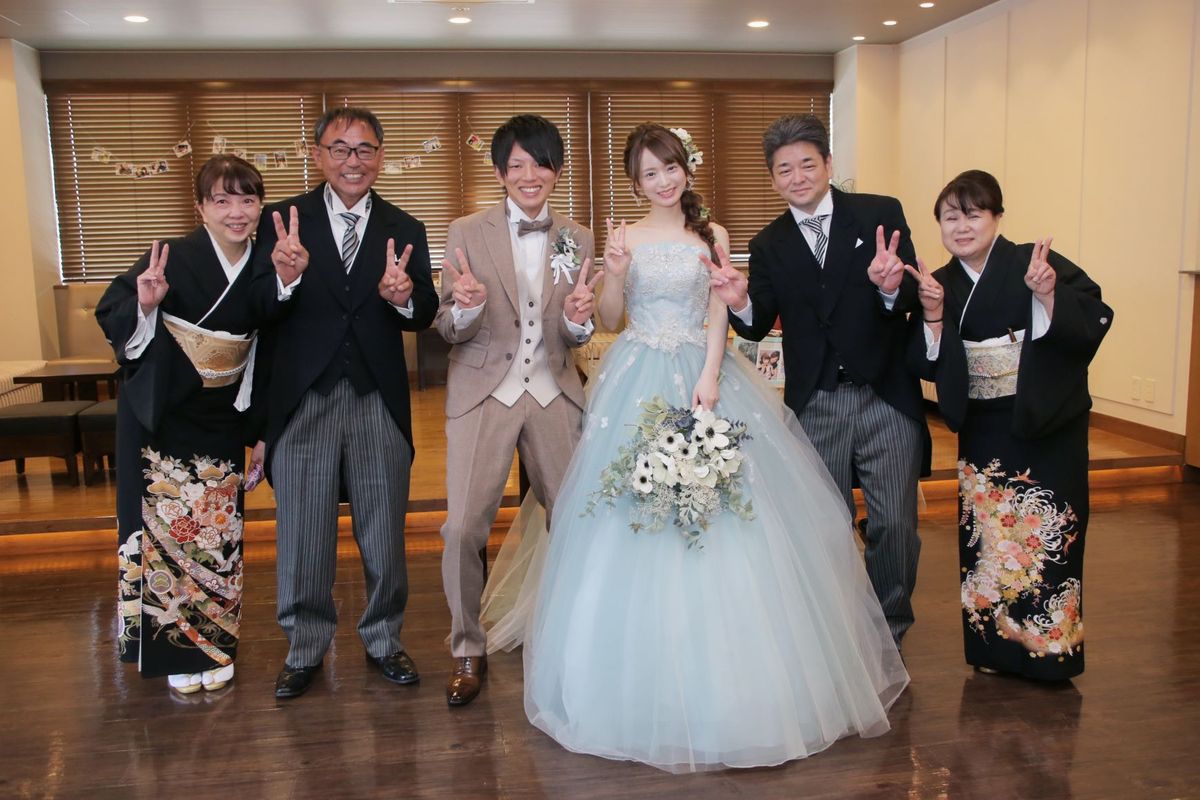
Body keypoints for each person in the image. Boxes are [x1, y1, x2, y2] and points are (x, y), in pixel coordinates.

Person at [514, 123, 908, 772]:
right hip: (637, 375)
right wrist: (614, 274)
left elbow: (723, 309)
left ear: (686, 169)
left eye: (670, 168)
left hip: (704, 371)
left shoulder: (714, 233)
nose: (662, 181)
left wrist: (709, 376)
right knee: (633, 511)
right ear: (636, 183)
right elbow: (609, 318)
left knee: (728, 507)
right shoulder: (628, 238)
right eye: (649, 173)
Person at [708, 113, 929, 643]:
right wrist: (739, 300)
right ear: (772, 178)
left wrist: (889, 287)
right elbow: (757, 321)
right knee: (825, 524)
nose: (798, 176)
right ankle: (839, 633)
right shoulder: (769, 243)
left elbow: (910, 293)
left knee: (894, 524)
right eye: (784, 169)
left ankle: (889, 631)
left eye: (807, 164)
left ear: (829, 164)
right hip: (817, 401)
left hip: (885, 393)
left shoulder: (878, 213)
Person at [251, 106, 439, 699]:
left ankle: (384, 638)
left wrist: (404, 297)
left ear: (380, 156)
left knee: (383, 531)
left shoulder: (405, 226)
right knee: (303, 532)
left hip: (377, 397)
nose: (352, 160)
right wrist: (284, 278)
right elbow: (259, 309)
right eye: (340, 148)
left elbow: (425, 311)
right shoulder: (284, 221)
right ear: (318, 155)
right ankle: (305, 646)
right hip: (303, 398)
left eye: (364, 149)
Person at [906, 170, 1112, 680]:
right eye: (949, 217)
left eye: (973, 214)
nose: (961, 226)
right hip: (984, 428)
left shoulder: (1031, 264)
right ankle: (994, 651)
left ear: (997, 217)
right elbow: (925, 363)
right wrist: (932, 314)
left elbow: (1094, 315)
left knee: (1049, 537)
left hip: (1047, 421)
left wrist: (1048, 296)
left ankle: (1050, 654)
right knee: (990, 543)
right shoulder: (942, 284)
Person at [435, 114, 599, 707]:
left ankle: (577, 636)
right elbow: (447, 325)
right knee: (462, 527)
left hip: (553, 389)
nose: (530, 175)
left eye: (541, 163)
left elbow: (575, 332)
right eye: (517, 165)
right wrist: (466, 308)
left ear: (557, 170)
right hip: (484, 390)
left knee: (577, 520)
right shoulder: (465, 231)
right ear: (501, 172)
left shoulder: (577, 237)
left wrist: (578, 320)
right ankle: (466, 647)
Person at [97, 154, 272, 695]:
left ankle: (213, 645)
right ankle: (174, 650)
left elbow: (274, 346)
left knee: (217, 536)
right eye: (222, 200)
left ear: (260, 206)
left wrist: (261, 430)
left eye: (247, 199)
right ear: (200, 207)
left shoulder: (269, 261)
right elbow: (113, 312)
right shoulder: (171, 257)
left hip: (223, 414)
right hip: (163, 414)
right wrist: (145, 305)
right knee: (165, 533)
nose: (236, 212)